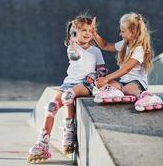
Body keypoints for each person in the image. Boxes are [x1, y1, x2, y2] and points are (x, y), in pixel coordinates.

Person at [27, 15, 107, 163]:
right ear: (75, 32)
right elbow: (74, 57)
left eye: (90, 30)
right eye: (83, 30)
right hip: (68, 84)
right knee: (51, 106)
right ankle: (42, 142)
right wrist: (74, 40)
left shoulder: (95, 51)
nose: (88, 33)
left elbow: (102, 70)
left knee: (68, 96)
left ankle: (69, 130)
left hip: (85, 85)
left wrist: (94, 74)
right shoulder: (72, 48)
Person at [92, 12, 163, 112]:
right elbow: (105, 46)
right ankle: (115, 92)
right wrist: (94, 34)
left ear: (133, 32)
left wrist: (107, 78)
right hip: (123, 83)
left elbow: (126, 69)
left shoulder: (139, 49)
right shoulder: (124, 44)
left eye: (123, 31)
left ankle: (147, 96)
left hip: (137, 83)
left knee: (126, 89)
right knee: (99, 83)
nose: (120, 34)